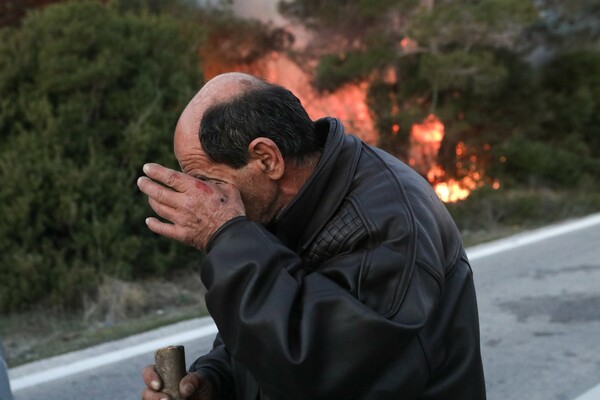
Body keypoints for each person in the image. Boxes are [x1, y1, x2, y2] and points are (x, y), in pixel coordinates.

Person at [137, 72, 486, 400]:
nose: (209, 199)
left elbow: (316, 368)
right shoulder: (286, 204)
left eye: (209, 181)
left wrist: (226, 237)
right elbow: (268, 327)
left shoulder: (386, 222)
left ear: (266, 158)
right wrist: (214, 380)